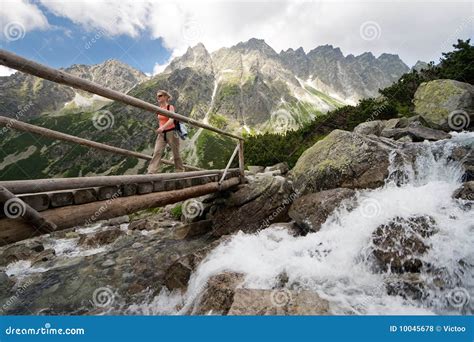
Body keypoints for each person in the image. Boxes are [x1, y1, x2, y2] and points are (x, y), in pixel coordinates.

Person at [147, 90, 184, 174]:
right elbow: (160, 121)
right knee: (157, 152)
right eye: (157, 96)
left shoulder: (170, 107)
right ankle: (151, 172)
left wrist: (163, 127)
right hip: (162, 134)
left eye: (160, 95)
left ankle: (180, 171)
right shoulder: (159, 109)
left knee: (176, 153)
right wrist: (160, 128)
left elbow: (172, 119)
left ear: (165, 97)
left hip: (171, 132)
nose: (158, 97)